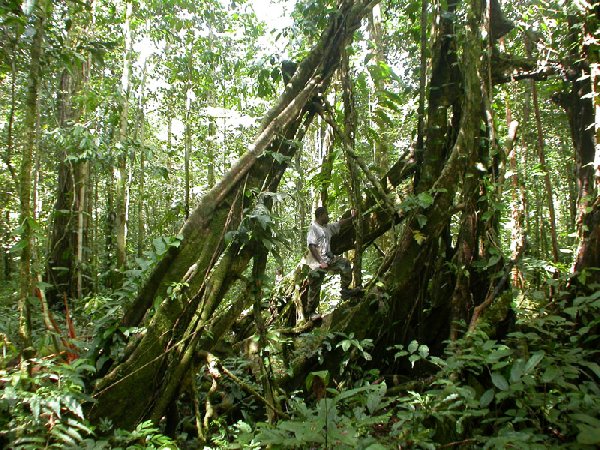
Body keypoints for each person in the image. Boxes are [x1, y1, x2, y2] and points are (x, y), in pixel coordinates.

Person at [304, 206, 357, 319]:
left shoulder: (327, 227)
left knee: (345, 264)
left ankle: (345, 289)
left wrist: (351, 218)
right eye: (326, 215)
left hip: (329, 259)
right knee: (315, 287)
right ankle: (311, 312)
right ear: (321, 215)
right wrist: (320, 261)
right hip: (316, 263)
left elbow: (339, 224)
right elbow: (312, 246)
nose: (328, 217)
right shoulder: (313, 228)